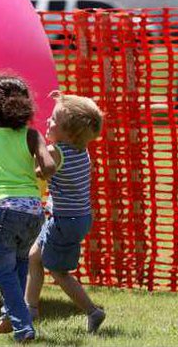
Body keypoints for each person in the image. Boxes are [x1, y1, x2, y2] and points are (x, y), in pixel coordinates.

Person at [0, 74, 56, 342]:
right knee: (20, 265)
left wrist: (0, 190)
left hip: (3, 210)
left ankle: (23, 326)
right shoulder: (33, 136)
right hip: (33, 211)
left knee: (5, 272)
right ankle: (9, 315)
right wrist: (44, 170)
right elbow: (49, 166)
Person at [25, 91, 106, 333]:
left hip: (65, 221)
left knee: (58, 271)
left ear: (69, 133)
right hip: (76, 218)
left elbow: (41, 170)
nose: (48, 122)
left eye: (53, 120)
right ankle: (30, 309)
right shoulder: (81, 149)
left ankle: (93, 311)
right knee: (34, 257)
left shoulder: (56, 153)